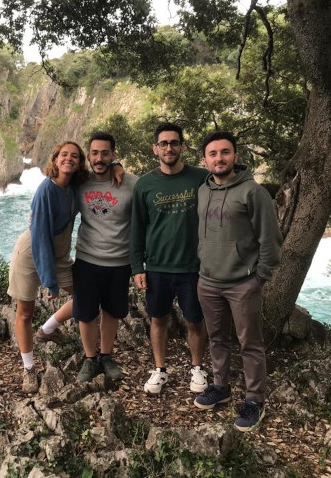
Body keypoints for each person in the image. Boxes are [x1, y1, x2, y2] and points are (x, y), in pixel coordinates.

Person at [193, 130, 282, 433]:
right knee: (216, 337)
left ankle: (255, 399)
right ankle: (220, 386)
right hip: (207, 280)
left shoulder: (253, 192)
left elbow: (270, 239)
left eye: (225, 152)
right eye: (213, 153)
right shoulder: (202, 190)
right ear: (205, 160)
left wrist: (260, 277)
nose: (219, 158)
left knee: (250, 343)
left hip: (242, 283)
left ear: (236, 156)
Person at [47, 132, 138, 382]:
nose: (99, 158)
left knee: (111, 312)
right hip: (87, 260)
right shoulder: (80, 182)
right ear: (89, 155)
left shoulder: (132, 183)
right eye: (95, 153)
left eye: (105, 153)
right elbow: (55, 185)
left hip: (119, 262)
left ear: (113, 155)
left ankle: (107, 356)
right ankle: (89, 359)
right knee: (86, 313)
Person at [130, 121, 209, 395]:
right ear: (155, 149)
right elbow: (137, 228)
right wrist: (136, 267)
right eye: (163, 143)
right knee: (158, 319)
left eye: (174, 142)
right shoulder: (145, 184)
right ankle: (160, 369)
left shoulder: (200, 177)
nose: (169, 148)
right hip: (156, 267)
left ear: (182, 146)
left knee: (195, 320)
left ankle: (197, 368)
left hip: (193, 267)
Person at [7, 140, 87, 393]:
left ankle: (48, 328)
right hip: (32, 253)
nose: (69, 159)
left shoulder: (74, 187)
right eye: (64, 155)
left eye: (74, 156)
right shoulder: (46, 190)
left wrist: (116, 166)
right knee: (25, 312)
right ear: (54, 160)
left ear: (79, 163)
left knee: (86, 297)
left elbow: (102, 170)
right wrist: (50, 280)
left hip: (60, 253)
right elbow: (40, 235)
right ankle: (28, 368)